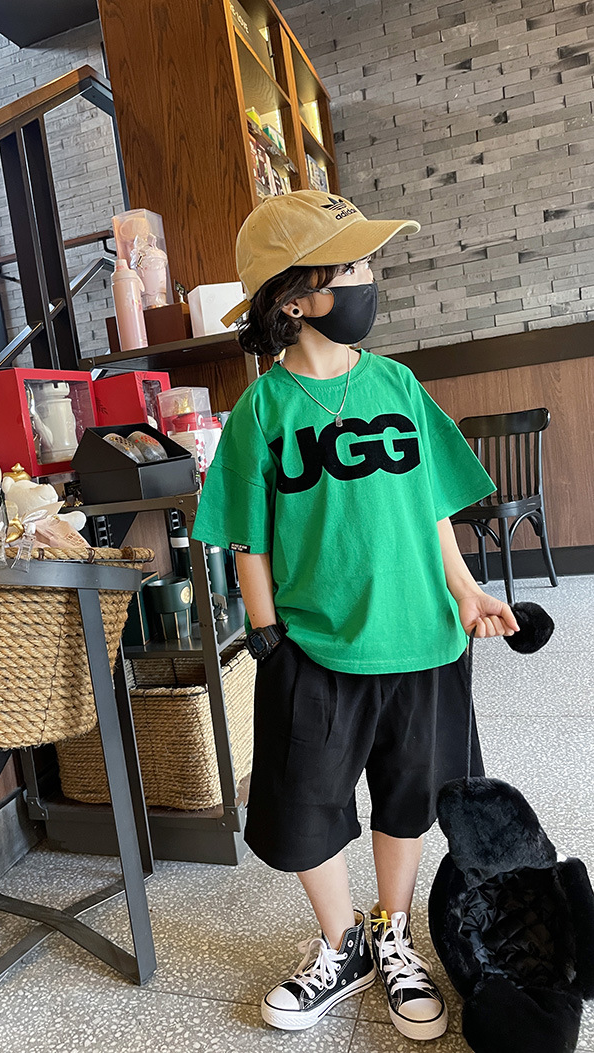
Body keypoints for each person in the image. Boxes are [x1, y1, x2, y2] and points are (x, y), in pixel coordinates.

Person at [190, 191, 520, 1042]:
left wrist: (465, 589)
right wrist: (268, 635)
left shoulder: (397, 383)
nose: (371, 279)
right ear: (295, 298)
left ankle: (393, 932)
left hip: (423, 638)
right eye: (353, 267)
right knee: (306, 805)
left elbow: (431, 506)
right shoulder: (263, 409)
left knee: (410, 797)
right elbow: (249, 536)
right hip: (316, 646)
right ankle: (344, 945)